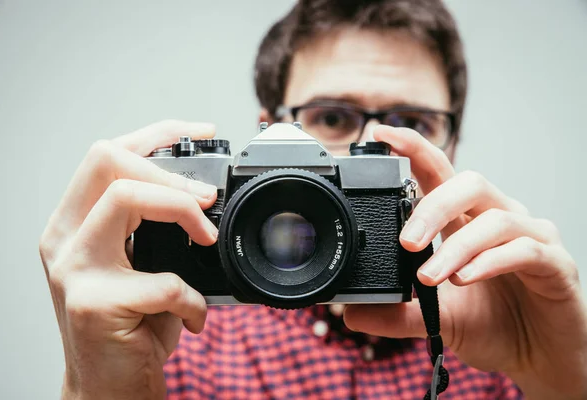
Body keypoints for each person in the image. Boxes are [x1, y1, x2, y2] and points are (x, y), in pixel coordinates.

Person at [39, 0, 587, 399]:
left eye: (413, 123)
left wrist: (560, 371)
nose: (373, 143)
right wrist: (97, 391)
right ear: (265, 139)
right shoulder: (179, 342)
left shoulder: (497, 347)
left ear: (451, 142)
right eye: (330, 117)